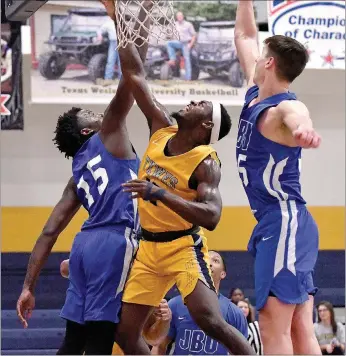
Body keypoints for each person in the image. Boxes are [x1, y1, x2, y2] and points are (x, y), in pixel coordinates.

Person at [103, 3, 253, 355]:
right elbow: (135, 75)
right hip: (148, 248)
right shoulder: (160, 127)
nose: (192, 100)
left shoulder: (205, 163)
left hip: (183, 247)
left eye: (200, 103)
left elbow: (212, 217)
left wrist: (159, 193)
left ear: (205, 126)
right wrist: (119, 19)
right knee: (124, 335)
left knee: (210, 320)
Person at [16, 6, 152, 355]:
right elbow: (132, 77)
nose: (96, 112)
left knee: (74, 337)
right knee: (101, 333)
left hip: (82, 246)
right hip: (112, 241)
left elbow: (49, 231)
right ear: (89, 129)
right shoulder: (109, 133)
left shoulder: (77, 173)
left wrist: (27, 286)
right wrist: (134, 23)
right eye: (89, 115)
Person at [234, 1, 322, 355]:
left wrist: (304, 130)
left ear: (269, 63)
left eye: (260, 57)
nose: (254, 59)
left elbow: (296, 112)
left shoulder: (280, 110)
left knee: (273, 327)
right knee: (301, 330)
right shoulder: (256, 95)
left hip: (284, 221)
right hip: (288, 223)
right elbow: (244, 34)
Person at [147, 250, 248, 355]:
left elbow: (241, 352)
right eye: (205, 259)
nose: (209, 263)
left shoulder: (235, 313)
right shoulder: (175, 305)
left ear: (223, 274)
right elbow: (159, 346)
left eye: (215, 261)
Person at [166, 11, 196, 81]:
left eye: (181, 16)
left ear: (183, 17)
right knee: (169, 43)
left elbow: (194, 35)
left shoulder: (188, 24)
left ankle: (188, 78)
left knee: (186, 60)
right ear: (177, 17)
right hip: (178, 42)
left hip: (186, 44)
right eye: (178, 16)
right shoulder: (175, 24)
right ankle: (172, 59)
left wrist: (190, 45)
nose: (179, 17)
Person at [98, 15, 122, 85]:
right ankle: (108, 79)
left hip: (122, 43)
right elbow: (100, 30)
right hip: (113, 43)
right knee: (110, 61)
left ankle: (121, 79)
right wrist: (99, 35)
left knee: (121, 62)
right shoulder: (108, 23)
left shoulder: (123, 22)